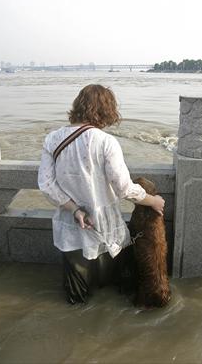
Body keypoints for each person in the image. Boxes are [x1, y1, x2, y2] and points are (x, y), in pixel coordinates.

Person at [37, 84, 165, 304]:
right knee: (120, 287)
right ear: (107, 110)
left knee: (77, 296)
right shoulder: (105, 142)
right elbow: (124, 188)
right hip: (105, 226)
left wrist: (74, 209)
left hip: (72, 225)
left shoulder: (52, 139)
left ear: (77, 105)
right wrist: (153, 200)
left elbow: (46, 184)